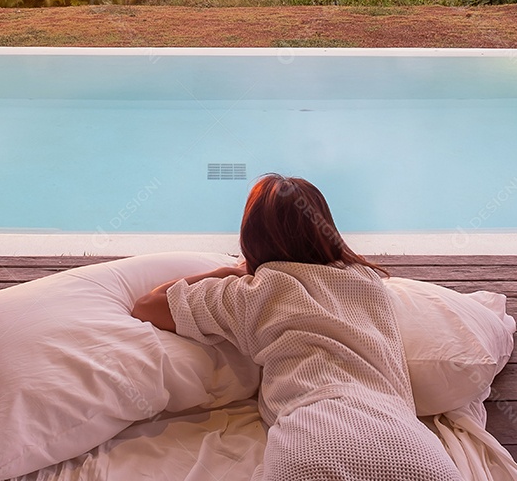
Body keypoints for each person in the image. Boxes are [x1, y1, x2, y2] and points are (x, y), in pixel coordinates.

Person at [132, 174, 462, 481]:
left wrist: (232, 271)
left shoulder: (253, 292)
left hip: (311, 440)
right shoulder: (368, 281)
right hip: (407, 442)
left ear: (251, 236)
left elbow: (148, 306)